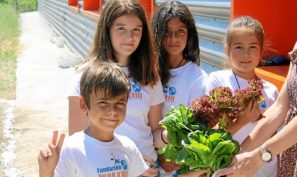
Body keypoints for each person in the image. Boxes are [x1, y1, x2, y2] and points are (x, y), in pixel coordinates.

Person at [68, 0, 165, 170]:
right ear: (107, 30)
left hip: (148, 169)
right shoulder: (86, 75)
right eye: (121, 28)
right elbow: (77, 138)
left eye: (137, 29)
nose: (130, 37)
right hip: (107, 170)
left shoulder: (150, 75)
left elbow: (155, 130)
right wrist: (131, 161)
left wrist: (170, 135)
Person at [38, 62, 157, 177]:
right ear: (84, 105)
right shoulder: (71, 150)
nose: (113, 111)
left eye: (120, 103)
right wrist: (46, 172)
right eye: (103, 102)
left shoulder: (128, 147)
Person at [213, 29, 297, 177]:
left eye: (253, 47)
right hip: (291, 150)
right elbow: (280, 106)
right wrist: (239, 157)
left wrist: (259, 156)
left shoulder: (269, 88)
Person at [205, 16, 279, 177]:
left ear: (261, 50)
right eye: (239, 47)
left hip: (266, 171)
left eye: (253, 47)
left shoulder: (271, 90)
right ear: (227, 50)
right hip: (230, 169)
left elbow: (274, 136)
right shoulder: (218, 81)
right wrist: (242, 120)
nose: (246, 54)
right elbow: (209, 134)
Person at [151, 1, 207, 176]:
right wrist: (158, 153)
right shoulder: (148, 71)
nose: (173, 39)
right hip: (147, 159)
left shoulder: (197, 77)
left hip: (177, 165)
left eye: (180, 31)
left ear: (189, 35)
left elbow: (195, 128)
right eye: (167, 32)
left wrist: (168, 153)